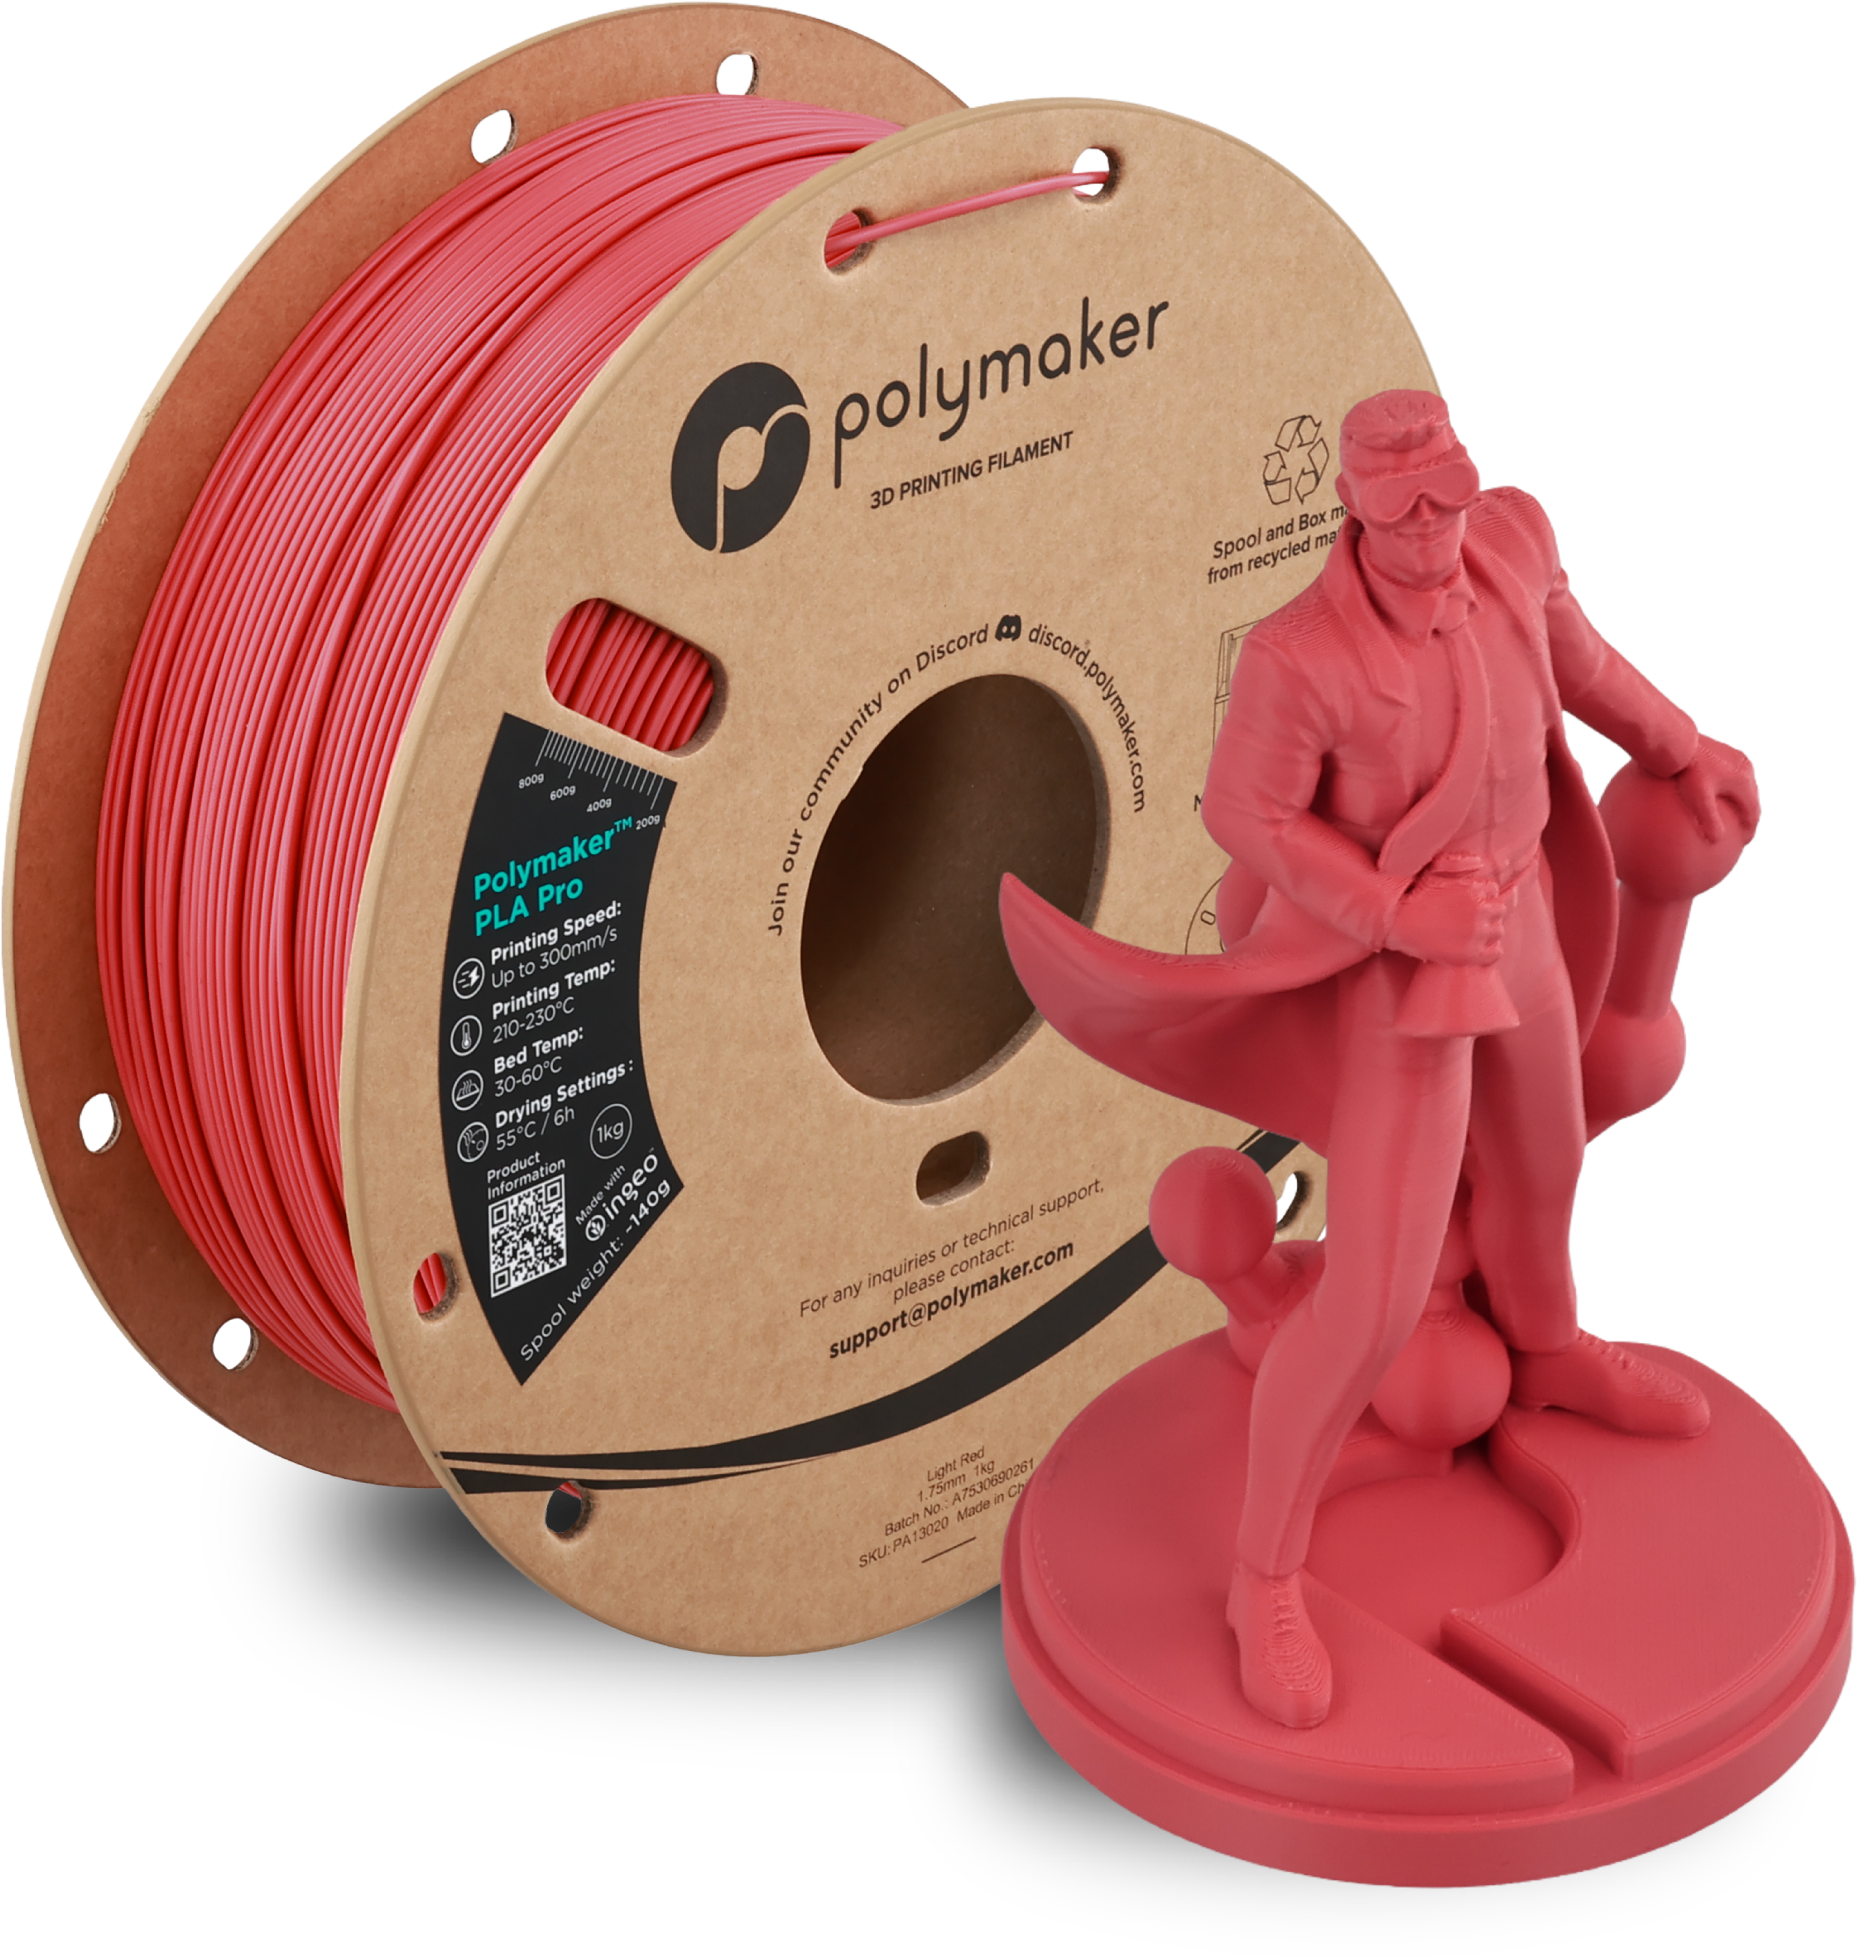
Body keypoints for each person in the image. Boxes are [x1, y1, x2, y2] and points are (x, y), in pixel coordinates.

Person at [998, 389, 1759, 1729]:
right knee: (1372, 1299)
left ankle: (1551, 1348)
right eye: (1404, 512)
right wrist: (1398, 916)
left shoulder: (1512, 542)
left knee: (1542, 1172)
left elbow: (1580, 662)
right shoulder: (1303, 656)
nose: (1432, 530)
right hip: (1402, 978)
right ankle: (1265, 1577)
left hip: (1523, 919)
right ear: (1353, 508)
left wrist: (1681, 742)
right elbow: (1247, 815)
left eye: (1447, 496)